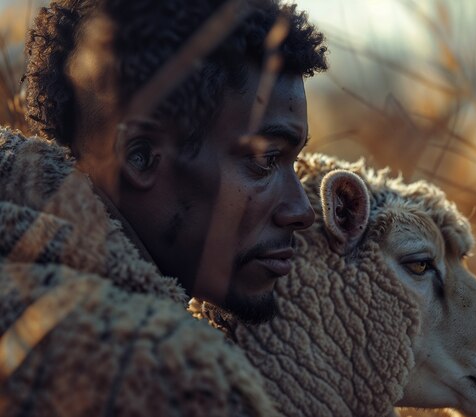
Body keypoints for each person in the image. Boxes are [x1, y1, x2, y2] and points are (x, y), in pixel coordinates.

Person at [0, 0, 327, 415]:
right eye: (266, 160)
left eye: (292, 161)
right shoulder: (163, 382)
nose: (303, 211)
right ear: (139, 157)